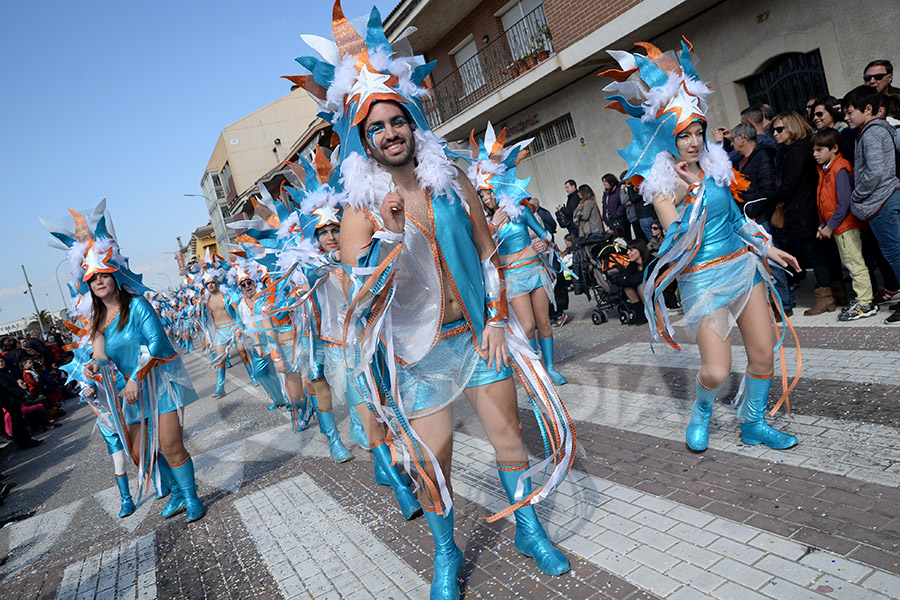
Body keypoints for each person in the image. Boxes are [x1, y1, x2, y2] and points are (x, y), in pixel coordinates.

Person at [288, 6, 574, 596]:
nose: (391, 133)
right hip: (416, 352)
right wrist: (387, 236)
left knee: (510, 440)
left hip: (476, 334)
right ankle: (446, 553)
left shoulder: (452, 177)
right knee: (431, 463)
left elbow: (488, 251)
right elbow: (354, 296)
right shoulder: (361, 209)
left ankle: (528, 527)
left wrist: (496, 317)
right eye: (378, 128)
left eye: (398, 122)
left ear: (412, 122)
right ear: (363, 139)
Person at [600, 38, 800, 452]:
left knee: (764, 355)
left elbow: (734, 220)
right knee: (716, 369)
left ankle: (754, 423)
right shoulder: (663, 186)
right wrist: (691, 191)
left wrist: (767, 247)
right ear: (667, 138)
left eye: (697, 132)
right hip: (702, 281)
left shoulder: (717, 167)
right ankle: (702, 410)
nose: (693, 142)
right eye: (683, 135)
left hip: (742, 269)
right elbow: (677, 241)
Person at [45, 200, 205, 522]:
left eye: (104, 274)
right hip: (129, 392)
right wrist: (94, 366)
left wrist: (135, 377)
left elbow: (157, 344)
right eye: (93, 279)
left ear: (116, 275)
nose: (99, 281)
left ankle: (191, 496)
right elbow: (101, 354)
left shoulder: (138, 307)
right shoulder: (99, 321)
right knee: (142, 450)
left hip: (158, 383)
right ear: (88, 286)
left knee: (170, 444)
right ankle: (173, 492)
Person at [469, 125, 568, 385]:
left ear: (499, 189)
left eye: (489, 192)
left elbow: (545, 234)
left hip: (534, 271)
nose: (487, 198)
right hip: (512, 278)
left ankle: (549, 367)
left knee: (544, 323)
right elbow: (483, 252)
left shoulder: (521, 212)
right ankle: (536, 372)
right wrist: (492, 226)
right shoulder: (483, 223)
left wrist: (543, 245)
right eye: (482, 194)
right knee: (527, 327)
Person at [770, 111, 845, 314]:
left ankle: (826, 297)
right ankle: (837, 293)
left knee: (815, 254)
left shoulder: (798, 151)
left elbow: (790, 185)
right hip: (805, 209)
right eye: (773, 130)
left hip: (804, 210)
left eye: (779, 129)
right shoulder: (793, 150)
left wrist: (769, 201)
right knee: (821, 253)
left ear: (792, 127)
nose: (775, 134)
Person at [841, 85, 900, 324]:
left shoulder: (873, 132)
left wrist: (855, 196)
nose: (846, 118)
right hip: (884, 199)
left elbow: (875, 172)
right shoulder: (872, 130)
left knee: (895, 254)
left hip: (882, 201)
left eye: (849, 112)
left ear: (868, 109)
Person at [811, 128, 877, 321]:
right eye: (814, 150)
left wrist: (830, 225)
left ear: (834, 148)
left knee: (855, 263)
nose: (815, 154)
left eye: (819, 150)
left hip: (846, 226)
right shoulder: (827, 169)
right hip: (838, 226)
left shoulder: (839, 168)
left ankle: (866, 302)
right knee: (851, 262)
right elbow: (827, 201)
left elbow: (844, 202)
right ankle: (863, 299)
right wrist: (824, 225)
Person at [610, 239, 650, 324]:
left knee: (641, 285)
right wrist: (627, 279)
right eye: (628, 250)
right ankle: (640, 313)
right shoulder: (633, 264)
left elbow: (639, 279)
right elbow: (619, 278)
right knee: (627, 287)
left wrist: (627, 278)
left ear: (640, 250)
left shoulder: (651, 261)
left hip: (660, 292)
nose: (628, 253)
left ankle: (649, 312)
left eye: (631, 250)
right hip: (641, 292)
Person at [601, 173, 629, 238]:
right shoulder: (606, 194)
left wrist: (618, 214)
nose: (604, 183)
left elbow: (623, 202)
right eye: (603, 182)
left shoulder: (618, 190)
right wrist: (605, 218)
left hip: (620, 219)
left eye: (605, 181)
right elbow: (604, 206)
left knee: (623, 236)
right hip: (611, 220)